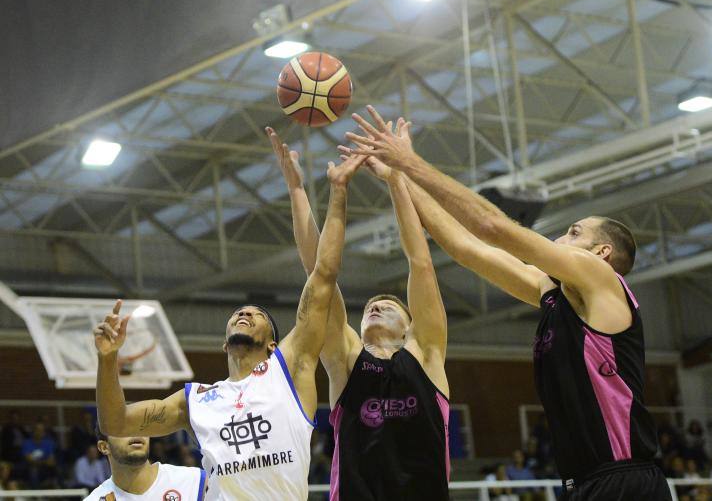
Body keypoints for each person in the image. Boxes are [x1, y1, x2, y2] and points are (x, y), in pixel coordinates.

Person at [341, 106, 670, 500]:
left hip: (625, 479)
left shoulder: (602, 279)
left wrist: (411, 162)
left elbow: (491, 226)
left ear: (600, 251)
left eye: (573, 232)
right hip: (585, 483)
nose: (561, 239)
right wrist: (399, 177)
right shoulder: (554, 294)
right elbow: (464, 247)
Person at [93, 152, 362, 501]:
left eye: (257, 314)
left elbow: (324, 273)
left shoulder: (289, 369)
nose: (244, 314)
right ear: (224, 344)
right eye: (238, 312)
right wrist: (108, 359)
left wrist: (337, 192)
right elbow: (116, 423)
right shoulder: (196, 400)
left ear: (273, 345)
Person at [270, 124, 450, 501]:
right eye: (370, 307)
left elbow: (420, 263)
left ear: (409, 328)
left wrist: (396, 178)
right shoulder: (346, 360)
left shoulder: (426, 353)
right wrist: (299, 189)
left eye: (389, 306)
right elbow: (318, 275)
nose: (375, 306)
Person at [84, 428, 204, 501]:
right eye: (123, 428)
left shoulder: (195, 481)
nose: (136, 432)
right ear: (104, 447)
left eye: (141, 426)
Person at [21, 422, 57, 488]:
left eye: (42, 430)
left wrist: (40, 462)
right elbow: (29, 460)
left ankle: (61, 492)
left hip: (44, 467)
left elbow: (51, 460)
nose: (40, 432)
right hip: (30, 468)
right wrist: (44, 461)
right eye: (38, 430)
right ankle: (36, 494)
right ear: (33, 431)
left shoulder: (49, 442)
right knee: (33, 470)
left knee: (57, 469)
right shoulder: (26, 443)